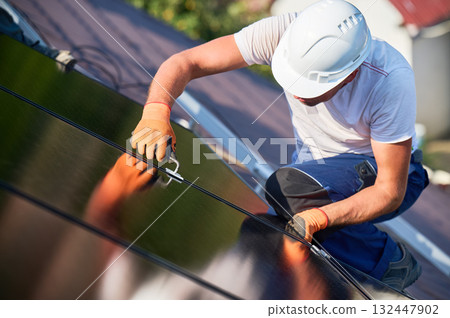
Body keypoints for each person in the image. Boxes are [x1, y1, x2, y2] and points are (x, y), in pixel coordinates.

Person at [131, 0, 429, 291]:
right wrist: (156, 110)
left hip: (390, 175)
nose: (299, 95)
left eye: (311, 87)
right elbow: (187, 62)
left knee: (287, 192)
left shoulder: (389, 80)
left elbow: (390, 191)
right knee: (266, 232)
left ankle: (389, 261)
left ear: (350, 74)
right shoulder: (284, 33)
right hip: (315, 172)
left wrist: (322, 216)